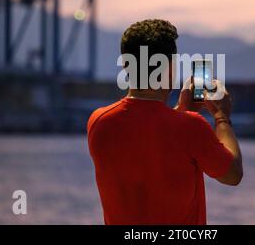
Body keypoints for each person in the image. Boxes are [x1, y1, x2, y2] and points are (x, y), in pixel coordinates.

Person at [87, 19, 243, 225]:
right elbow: (232, 174)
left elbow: (148, 136)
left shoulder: (99, 121)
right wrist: (222, 116)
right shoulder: (191, 127)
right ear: (169, 68)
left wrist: (181, 111)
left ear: (126, 65)